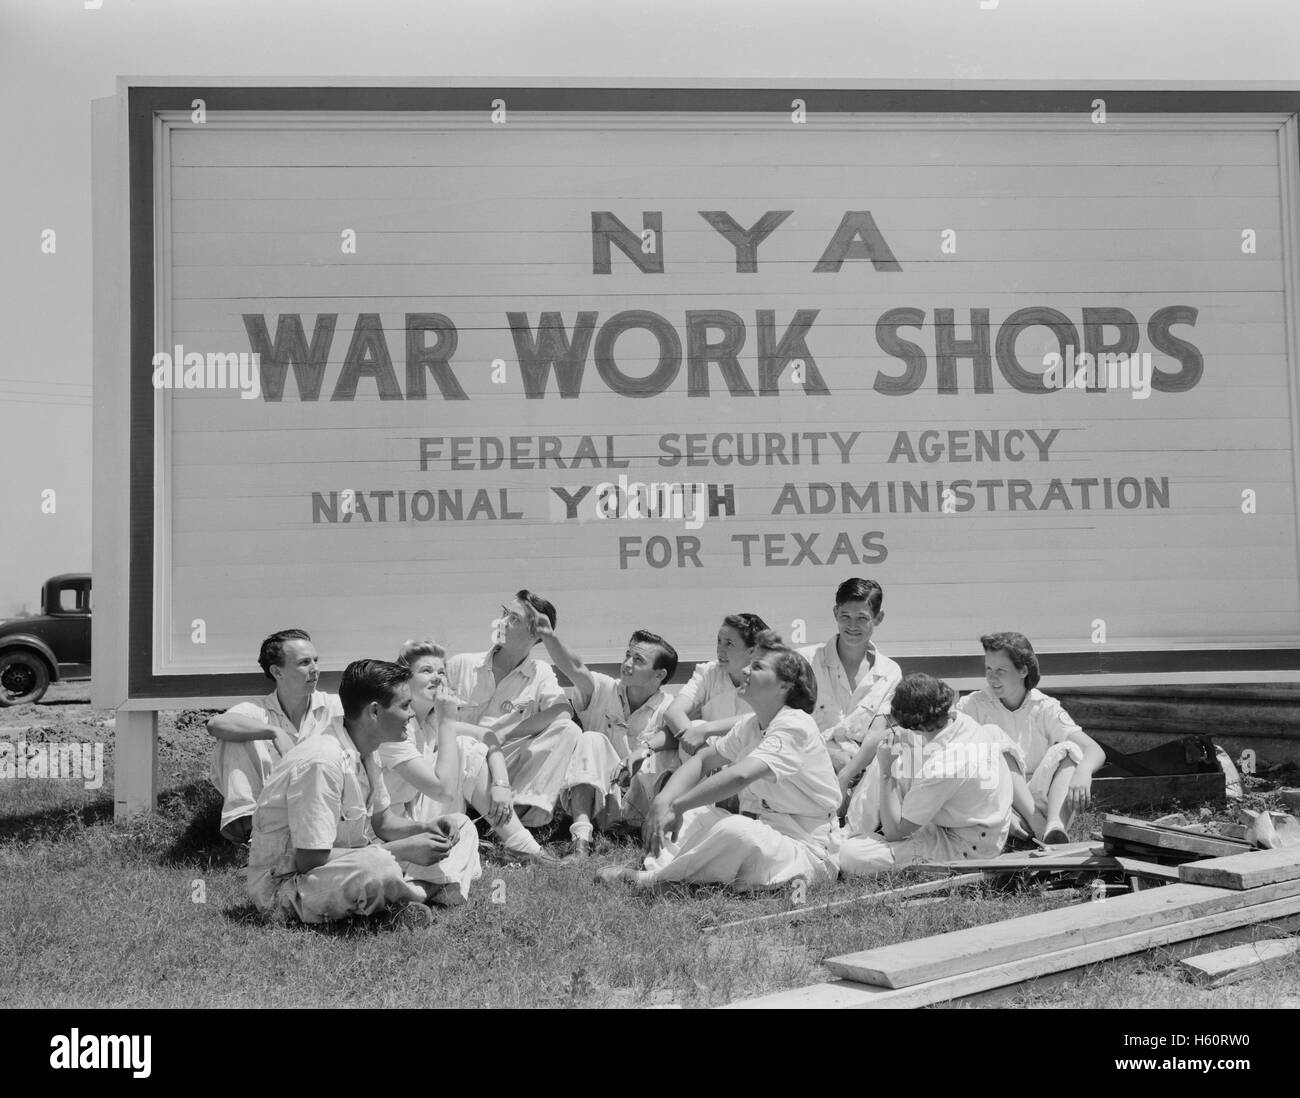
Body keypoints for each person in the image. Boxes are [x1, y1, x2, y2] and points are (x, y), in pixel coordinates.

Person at [598, 631, 841, 892]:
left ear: (784, 686)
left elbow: (741, 776)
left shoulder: (795, 723)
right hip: (767, 832)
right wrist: (664, 801)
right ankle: (675, 875)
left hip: (809, 852)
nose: (745, 671)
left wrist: (676, 807)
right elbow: (703, 760)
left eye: (757, 667)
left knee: (735, 829)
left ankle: (653, 881)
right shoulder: (752, 723)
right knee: (695, 815)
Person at [246, 659, 481, 926]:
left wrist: (425, 828)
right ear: (374, 712)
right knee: (376, 867)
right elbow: (309, 859)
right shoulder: (322, 761)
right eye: (404, 706)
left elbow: (383, 822)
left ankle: (412, 895)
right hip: (286, 885)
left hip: (345, 860)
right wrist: (404, 850)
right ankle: (422, 891)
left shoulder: (367, 748)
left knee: (461, 826)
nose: (411, 714)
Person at [377, 640, 554, 864]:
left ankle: (523, 847)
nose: (437, 677)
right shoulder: (397, 725)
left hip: (417, 811)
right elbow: (442, 792)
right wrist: (448, 722)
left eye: (441, 671)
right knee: (460, 746)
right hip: (389, 828)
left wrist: (501, 785)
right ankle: (513, 847)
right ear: (405, 679)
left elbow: (488, 736)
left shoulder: (431, 722)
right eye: (426, 670)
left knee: (466, 746)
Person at [838, 673, 1022, 877]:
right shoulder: (956, 720)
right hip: (966, 820)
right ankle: (852, 830)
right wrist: (846, 775)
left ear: (918, 725)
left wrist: (886, 773)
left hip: (968, 846)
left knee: (851, 856)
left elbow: (895, 833)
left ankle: (849, 840)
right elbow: (890, 737)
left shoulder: (945, 767)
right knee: (894, 751)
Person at [442, 590, 584, 829]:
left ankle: (514, 820)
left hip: (502, 763)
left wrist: (506, 733)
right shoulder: (462, 664)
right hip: (457, 762)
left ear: (534, 632)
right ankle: (489, 821)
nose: (502, 622)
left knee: (568, 730)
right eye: (505, 614)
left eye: (514, 619)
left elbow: (562, 711)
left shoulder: (540, 672)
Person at [535, 623, 678, 856]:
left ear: (659, 674)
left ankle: (651, 833)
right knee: (591, 738)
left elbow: (683, 735)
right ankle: (581, 840)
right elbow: (575, 668)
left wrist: (644, 750)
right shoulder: (603, 688)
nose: (628, 664)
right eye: (628, 655)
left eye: (639, 660)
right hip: (600, 800)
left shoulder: (669, 706)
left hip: (643, 805)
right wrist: (547, 636)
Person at [955, 632, 1106, 844]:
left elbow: (1093, 749)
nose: (991, 677)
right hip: (996, 799)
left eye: (1000, 670)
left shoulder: (1045, 706)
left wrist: (1083, 772)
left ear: (1023, 670)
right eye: (988, 669)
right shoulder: (972, 705)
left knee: (1069, 749)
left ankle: (1054, 827)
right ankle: (1038, 826)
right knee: (992, 735)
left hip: (1040, 798)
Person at [207, 629, 341, 843]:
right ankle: (252, 834)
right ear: (278, 672)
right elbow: (216, 724)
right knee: (232, 739)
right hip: (274, 809)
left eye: (316, 660)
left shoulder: (333, 706)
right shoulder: (259, 709)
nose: (315, 669)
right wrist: (273, 731)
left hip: (326, 804)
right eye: (304, 663)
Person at [798, 578, 902, 777]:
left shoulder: (890, 672)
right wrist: (829, 755)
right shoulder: (804, 661)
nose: (852, 626)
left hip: (860, 778)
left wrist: (848, 774)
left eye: (862, 618)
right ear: (835, 613)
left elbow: (877, 733)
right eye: (845, 616)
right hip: (806, 774)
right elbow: (784, 723)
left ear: (878, 618)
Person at [661, 612, 768, 758]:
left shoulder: (772, 679)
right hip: (711, 761)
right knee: (693, 726)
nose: (720, 650)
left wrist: (707, 729)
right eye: (719, 641)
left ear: (752, 650)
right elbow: (673, 712)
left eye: (729, 644)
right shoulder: (709, 672)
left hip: (753, 760)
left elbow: (761, 718)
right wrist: (703, 751)